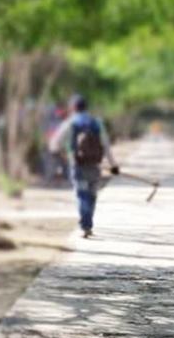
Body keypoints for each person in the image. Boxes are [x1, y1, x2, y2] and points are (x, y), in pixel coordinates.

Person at [48, 94, 120, 238]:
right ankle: (88, 224)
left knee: (82, 195)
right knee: (92, 195)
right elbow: (105, 145)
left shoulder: (70, 123)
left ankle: (85, 225)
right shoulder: (96, 122)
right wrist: (113, 165)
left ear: (73, 107)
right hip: (95, 166)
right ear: (86, 107)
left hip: (78, 166)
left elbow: (54, 145)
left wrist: (63, 155)